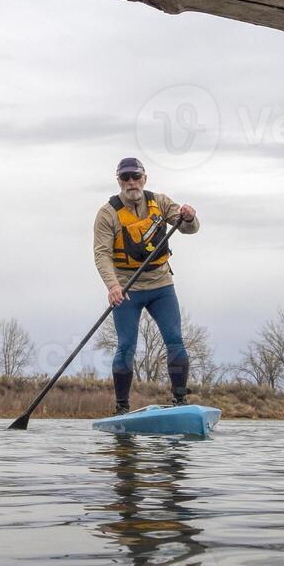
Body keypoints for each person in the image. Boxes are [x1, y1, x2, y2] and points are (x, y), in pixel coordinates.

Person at [92, 157, 200, 414]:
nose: (131, 182)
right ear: (119, 181)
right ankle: (121, 407)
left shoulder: (160, 202)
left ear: (144, 178)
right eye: (125, 178)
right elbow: (101, 254)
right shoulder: (107, 213)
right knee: (126, 345)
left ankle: (180, 400)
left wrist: (189, 217)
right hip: (127, 290)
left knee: (174, 340)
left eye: (135, 176)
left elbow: (189, 229)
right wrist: (113, 286)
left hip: (161, 285)